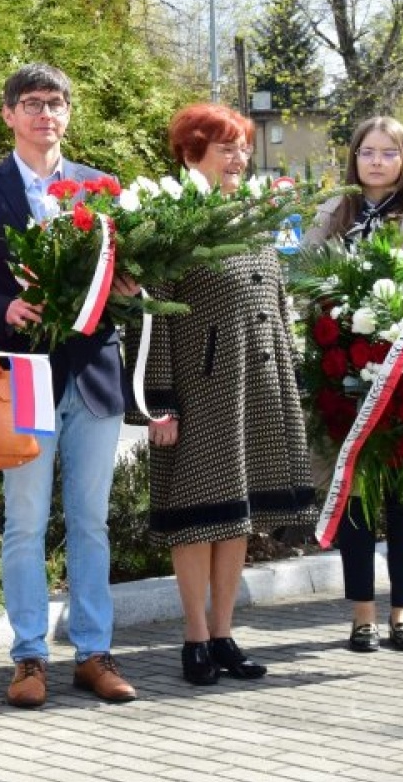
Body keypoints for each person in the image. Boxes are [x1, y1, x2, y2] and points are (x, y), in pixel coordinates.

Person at [0, 63, 136, 707]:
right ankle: (29, 657)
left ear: (68, 113)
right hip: (22, 375)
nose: (44, 114)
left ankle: (94, 652)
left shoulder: (100, 188)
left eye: (55, 103)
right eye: (31, 103)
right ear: (8, 115)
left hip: (93, 375)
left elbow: (122, 275)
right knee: (24, 524)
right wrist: (4, 308)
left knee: (91, 522)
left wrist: (130, 288)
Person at [133, 102, 316, 685]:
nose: (239, 158)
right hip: (199, 390)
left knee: (236, 518)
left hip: (255, 387)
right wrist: (159, 401)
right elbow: (153, 317)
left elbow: (278, 303)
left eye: (242, 146)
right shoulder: (172, 218)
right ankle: (192, 638)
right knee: (197, 519)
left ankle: (224, 634)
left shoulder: (255, 215)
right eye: (225, 147)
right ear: (192, 151)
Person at [303, 117, 403, 653]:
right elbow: (308, 281)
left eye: (390, 153)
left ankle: (402, 614)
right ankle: (362, 615)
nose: (378, 161)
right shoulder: (334, 212)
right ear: (354, 158)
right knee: (358, 501)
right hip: (347, 378)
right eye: (368, 151)